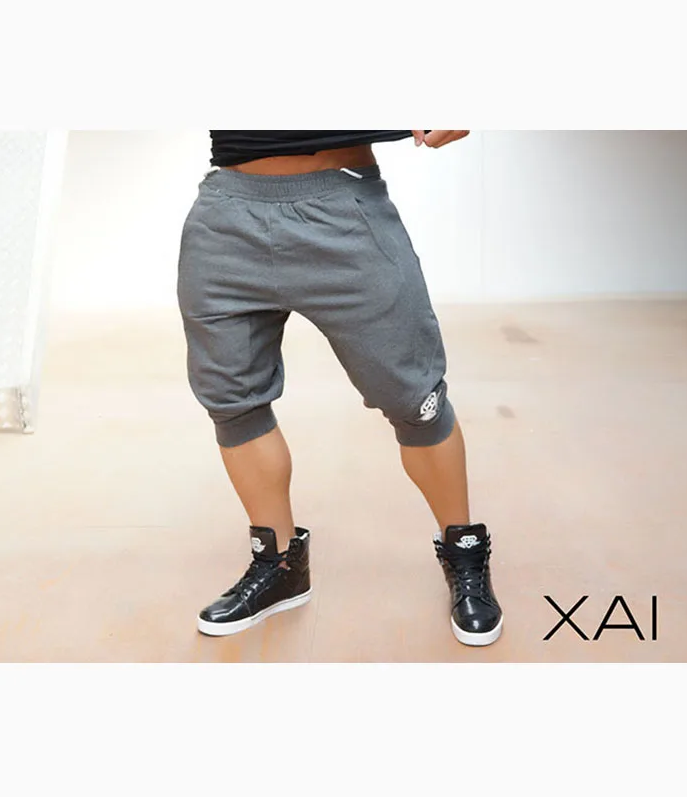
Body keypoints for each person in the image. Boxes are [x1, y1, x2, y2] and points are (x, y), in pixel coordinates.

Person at [177, 130, 503, 646]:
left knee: (415, 401)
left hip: (342, 207)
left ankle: (463, 549)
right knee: (231, 402)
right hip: (226, 214)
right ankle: (280, 565)